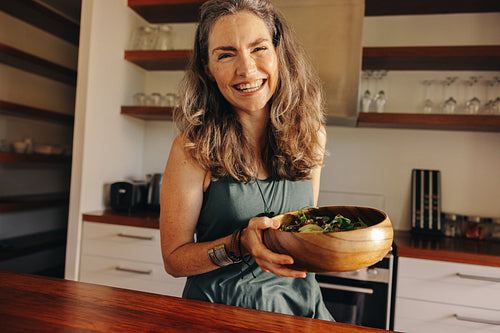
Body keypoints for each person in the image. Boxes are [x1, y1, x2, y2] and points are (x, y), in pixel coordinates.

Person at [160, 0, 333, 321]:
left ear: (279, 53)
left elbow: (301, 235)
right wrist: (239, 243)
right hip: (217, 315)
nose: (247, 69)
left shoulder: (313, 135)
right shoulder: (191, 148)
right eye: (226, 54)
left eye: (259, 48)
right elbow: (174, 261)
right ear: (208, 69)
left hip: (301, 314)